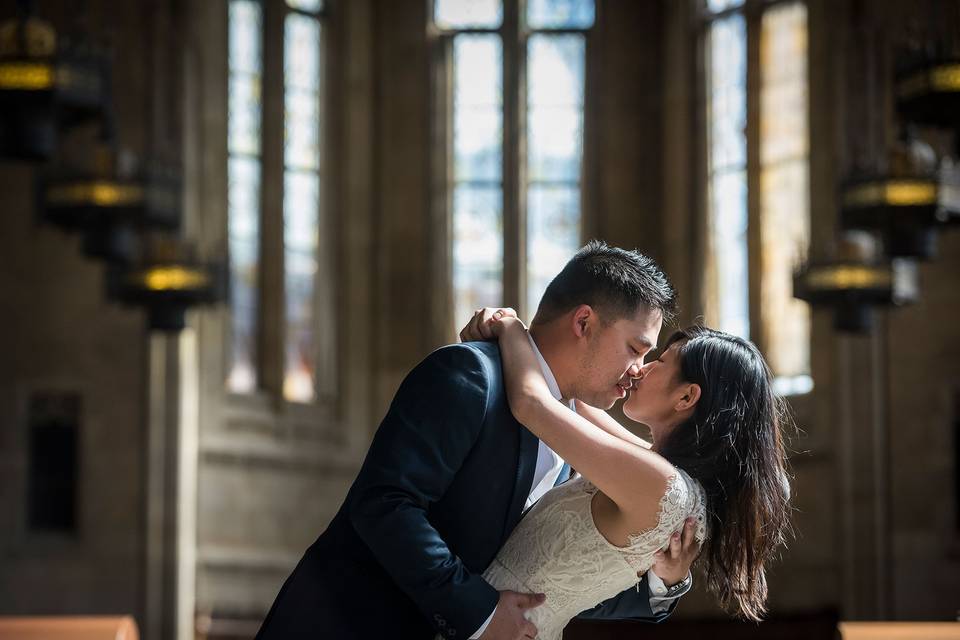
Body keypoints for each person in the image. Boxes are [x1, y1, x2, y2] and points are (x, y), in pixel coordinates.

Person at [255, 242, 699, 640]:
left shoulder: (570, 432)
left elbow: (551, 573)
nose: (640, 368)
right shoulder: (468, 374)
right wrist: (481, 614)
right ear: (584, 322)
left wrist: (664, 584)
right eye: (636, 348)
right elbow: (385, 502)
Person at [456, 308, 793, 639]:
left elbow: (534, 404)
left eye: (658, 362)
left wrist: (510, 326)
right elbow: (570, 399)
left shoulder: (660, 484)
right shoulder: (664, 474)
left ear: (687, 396)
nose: (640, 369)